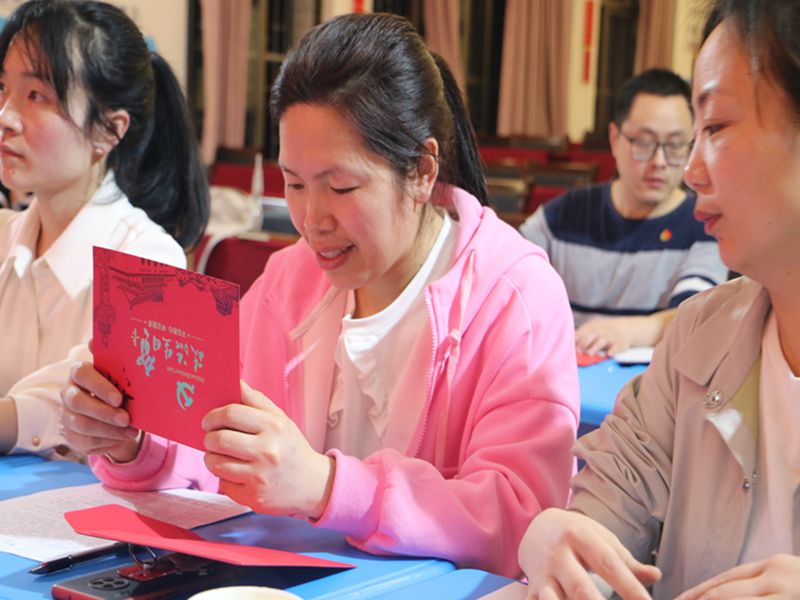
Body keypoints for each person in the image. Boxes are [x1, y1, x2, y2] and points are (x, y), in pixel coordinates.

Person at [60, 12, 579, 578]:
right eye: (294, 184)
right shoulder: (290, 279)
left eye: (341, 187)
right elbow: (224, 445)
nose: (311, 220)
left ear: (423, 171)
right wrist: (135, 443)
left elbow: (522, 516)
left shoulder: (514, 296)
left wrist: (328, 487)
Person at [518, 0, 800, 597]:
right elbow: (609, 503)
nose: (689, 171)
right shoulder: (700, 337)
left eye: (714, 128)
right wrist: (562, 538)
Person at [0, 0, 209, 458]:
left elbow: (92, 403)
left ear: (109, 131)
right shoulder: (4, 237)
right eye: (2, 89)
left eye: (36, 96)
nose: (6, 117)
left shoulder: (151, 260)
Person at [520, 69, 727, 357]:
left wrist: (626, 332)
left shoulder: (702, 224)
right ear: (615, 138)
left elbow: (696, 316)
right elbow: (509, 280)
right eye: (644, 143)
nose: (659, 161)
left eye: (675, 145)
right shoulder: (561, 217)